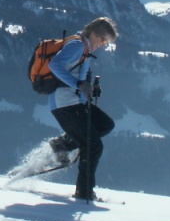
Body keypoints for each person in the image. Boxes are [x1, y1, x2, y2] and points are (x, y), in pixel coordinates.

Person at [47, 16, 118, 201]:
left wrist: (88, 89)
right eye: (103, 40)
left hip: (73, 101)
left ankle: (63, 144)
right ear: (94, 34)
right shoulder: (78, 45)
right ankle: (84, 192)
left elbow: (76, 76)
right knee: (93, 146)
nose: (103, 45)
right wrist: (78, 84)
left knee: (105, 124)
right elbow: (54, 65)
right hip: (64, 103)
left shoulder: (84, 48)